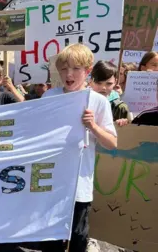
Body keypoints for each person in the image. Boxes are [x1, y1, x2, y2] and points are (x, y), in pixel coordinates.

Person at [40, 43, 117, 252]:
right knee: (50, 240)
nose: (69, 74)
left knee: (78, 239)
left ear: (88, 70)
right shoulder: (49, 97)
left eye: (75, 69)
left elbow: (111, 142)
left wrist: (93, 126)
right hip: (50, 182)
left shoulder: (99, 101)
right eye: (64, 69)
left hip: (79, 186)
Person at [89, 61, 131, 126]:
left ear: (115, 82)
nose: (103, 87)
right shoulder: (81, 102)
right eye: (99, 83)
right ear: (90, 81)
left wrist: (121, 125)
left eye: (109, 84)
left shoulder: (120, 108)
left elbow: (124, 134)